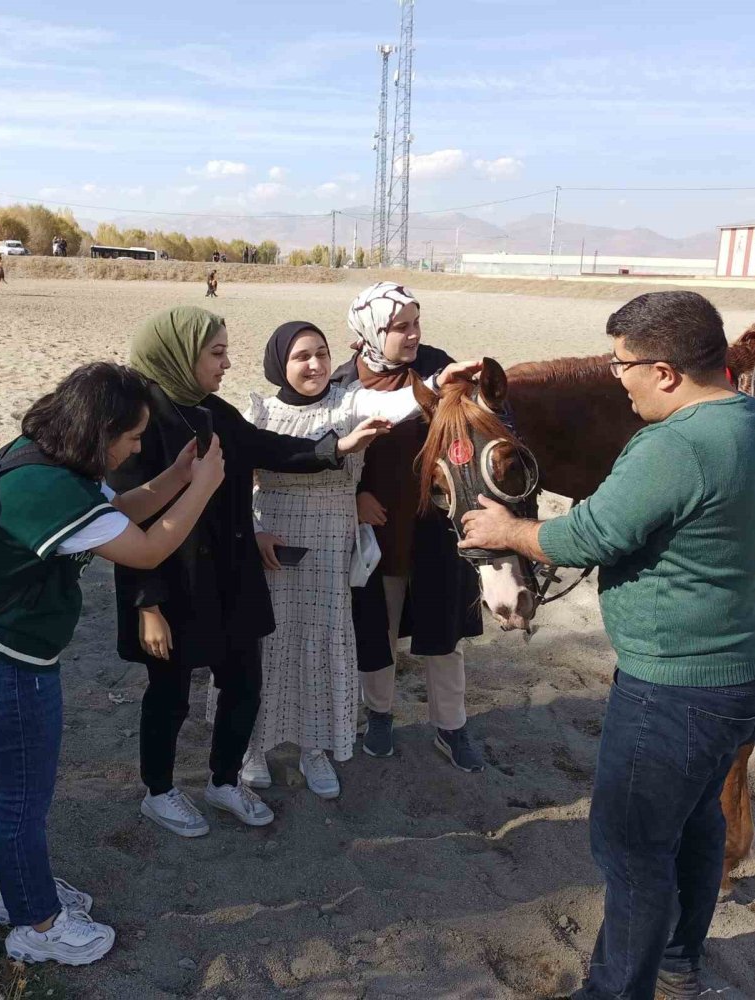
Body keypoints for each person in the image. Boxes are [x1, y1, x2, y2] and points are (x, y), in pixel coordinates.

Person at [458, 290, 755, 1000]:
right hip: (747, 670)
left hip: (675, 687)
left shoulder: (674, 445)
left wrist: (506, 532)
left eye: (623, 365)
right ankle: (676, 967)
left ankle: (614, 990)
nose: (619, 379)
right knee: (698, 825)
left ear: (667, 371)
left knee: (632, 850)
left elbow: (589, 535)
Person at [0, 361, 225, 965]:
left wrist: (177, 477)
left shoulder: (51, 460)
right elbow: (144, 546)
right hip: (0, 666)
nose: (139, 445)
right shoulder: (44, 488)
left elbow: (115, 510)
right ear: (99, 430)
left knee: (15, 793)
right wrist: (203, 488)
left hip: (2, 658)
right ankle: (38, 926)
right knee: (19, 798)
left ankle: (23, 894)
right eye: (132, 435)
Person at [109, 307, 389, 838]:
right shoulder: (139, 420)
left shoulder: (213, 412)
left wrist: (336, 448)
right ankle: (160, 791)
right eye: (215, 353)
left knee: (243, 682)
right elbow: (130, 522)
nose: (227, 363)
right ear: (179, 354)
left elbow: (270, 448)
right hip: (172, 582)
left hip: (232, 575)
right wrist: (147, 606)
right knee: (169, 693)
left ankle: (223, 779)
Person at [233, 322, 480, 798]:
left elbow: (394, 404)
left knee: (323, 644)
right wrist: (256, 531)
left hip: (329, 546)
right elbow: (238, 484)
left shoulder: (348, 402)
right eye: (302, 356)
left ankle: (314, 748)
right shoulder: (259, 411)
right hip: (271, 545)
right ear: (279, 364)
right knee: (265, 644)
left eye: (322, 354)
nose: (316, 364)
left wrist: (438, 381)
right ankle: (252, 748)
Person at [331, 282, 486, 773]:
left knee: (444, 631)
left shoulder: (439, 368)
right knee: (377, 628)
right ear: (371, 330)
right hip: (377, 532)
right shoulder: (342, 382)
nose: (414, 334)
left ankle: (452, 725)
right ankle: (379, 716)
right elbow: (329, 450)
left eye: (417, 322)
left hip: (436, 528)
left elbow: (470, 433)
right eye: (401, 327)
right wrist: (355, 496)